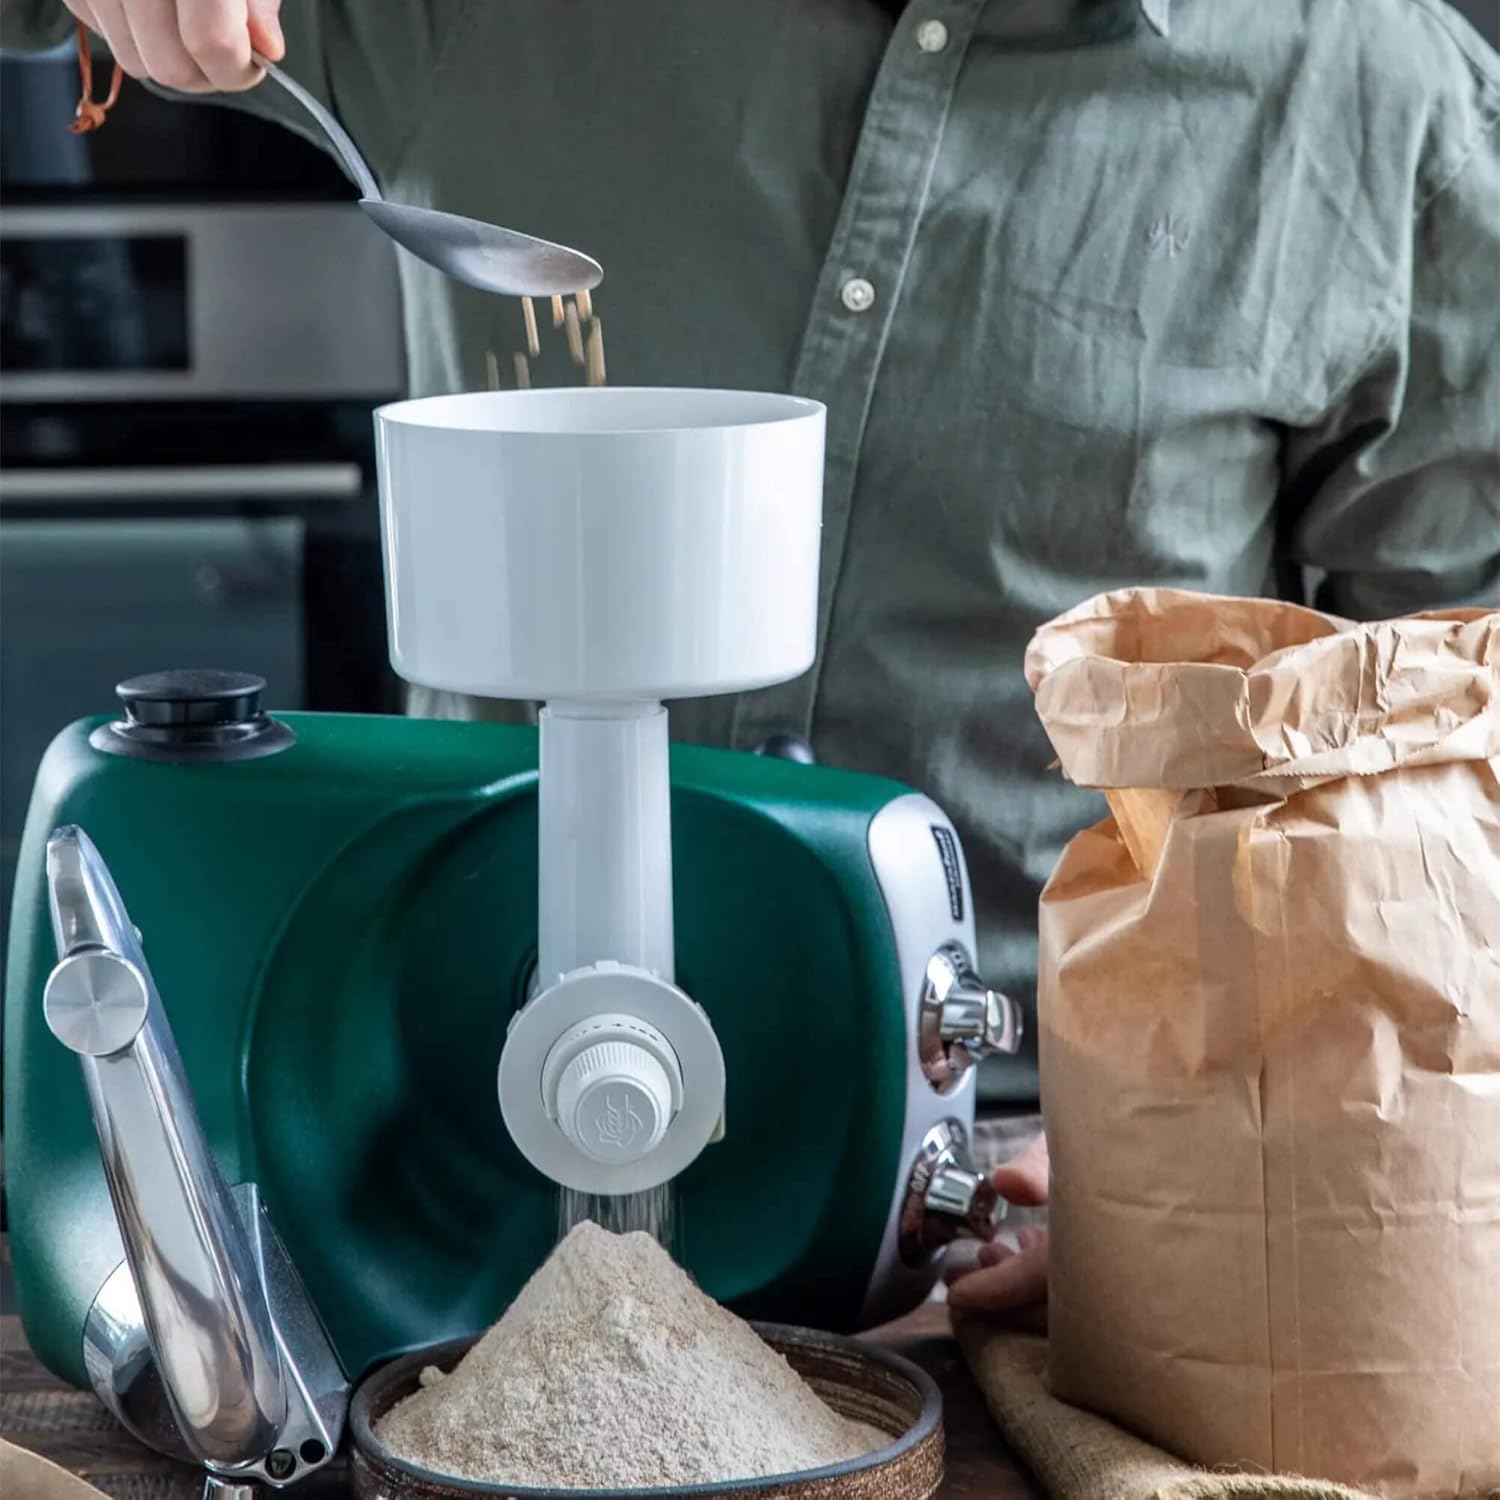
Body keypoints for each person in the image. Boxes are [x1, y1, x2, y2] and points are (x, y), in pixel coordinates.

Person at [4, 0, 1496, 1318]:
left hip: (1057, 1183)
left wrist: (1222, 1158)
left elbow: (1451, 778)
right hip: (453, 1147)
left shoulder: (1379, 90)